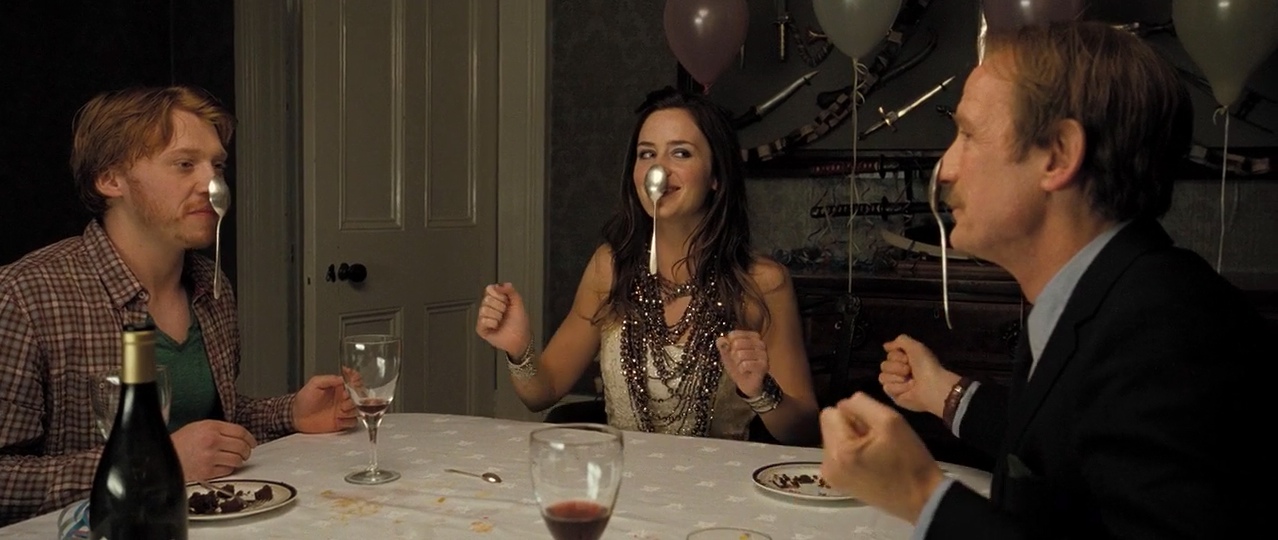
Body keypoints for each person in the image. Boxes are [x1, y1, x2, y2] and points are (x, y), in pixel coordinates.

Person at [818, 21, 1265, 538]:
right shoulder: (1104, 293)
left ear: (1058, 154)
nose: (945, 168)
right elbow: (1070, 442)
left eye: (968, 135)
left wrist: (921, 497)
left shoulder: (1167, 331)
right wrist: (946, 392)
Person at [0, 86, 358, 526]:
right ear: (110, 180)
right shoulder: (25, 296)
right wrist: (152, 462)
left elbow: (210, 419)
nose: (213, 185)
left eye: (217, 166)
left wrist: (292, 413)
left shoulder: (210, 284)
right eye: (185, 164)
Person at [475, 87, 819, 445]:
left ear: (716, 175)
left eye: (681, 153)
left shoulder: (762, 281)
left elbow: (805, 431)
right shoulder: (608, 267)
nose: (659, 168)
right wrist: (519, 349)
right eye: (647, 154)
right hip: (622, 473)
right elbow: (541, 394)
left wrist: (760, 391)